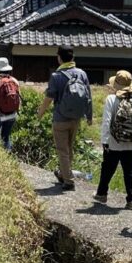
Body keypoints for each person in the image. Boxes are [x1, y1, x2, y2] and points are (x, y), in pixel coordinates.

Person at [38, 46, 92, 190]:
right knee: (69, 148)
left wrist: (40, 113)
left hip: (60, 119)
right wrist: (89, 116)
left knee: (62, 150)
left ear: (59, 58)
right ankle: (64, 174)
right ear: (72, 58)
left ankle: (68, 181)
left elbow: (49, 98)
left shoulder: (56, 76)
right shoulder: (82, 74)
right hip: (76, 119)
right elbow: (88, 96)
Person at [95, 70, 132, 209]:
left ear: (116, 84)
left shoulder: (111, 99)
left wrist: (104, 140)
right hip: (131, 142)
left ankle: (102, 194)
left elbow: (107, 121)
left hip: (114, 142)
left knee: (107, 168)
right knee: (130, 171)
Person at [0, 57, 21, 150]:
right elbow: (18, 98)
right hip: (11, 113)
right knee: (6, 136)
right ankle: (8, 156)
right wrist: (16, 111)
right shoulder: (14, 81)